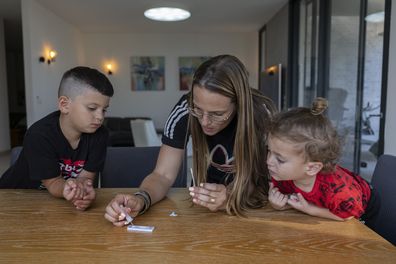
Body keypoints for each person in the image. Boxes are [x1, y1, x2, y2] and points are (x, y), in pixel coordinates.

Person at [105, 55, 276, 226]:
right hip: (203, 209)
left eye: (217, 114)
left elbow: (266, 177)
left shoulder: (261, 114)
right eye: (198, 109)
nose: (205, 122)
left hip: (253, 207)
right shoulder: (183, 111)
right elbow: (162, 175)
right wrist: (141, 199)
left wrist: (232, 196)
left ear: (239, 104)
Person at [0, 66, 114, 211]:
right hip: (14, 198)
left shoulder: (100, 135)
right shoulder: (39, 135)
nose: (100, 117)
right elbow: (54, 183)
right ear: (64, 105)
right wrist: (71, 189)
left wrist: (83, 193)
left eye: (104, 109)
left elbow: (86, 178)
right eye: (92, 108)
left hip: (52, 204)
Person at [267, 97, 380, 228]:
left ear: (312, 168)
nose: (268, 161)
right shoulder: (284, 175)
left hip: (364, 206)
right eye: (269, 151)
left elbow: (349, 215)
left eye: (280, 159)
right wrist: (279, 203)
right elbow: (286, 197)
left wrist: (310, 209)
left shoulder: (338, 192)